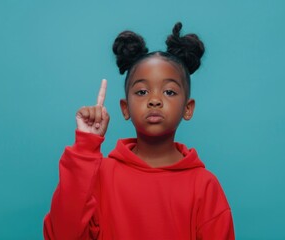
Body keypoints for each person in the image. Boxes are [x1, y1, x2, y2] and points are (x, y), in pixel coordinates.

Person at [43, 22, 235, 240]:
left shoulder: (204, 186)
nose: (154, 100)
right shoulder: (99, 176)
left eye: (169, 92)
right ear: (125, 108)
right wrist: (85, 148)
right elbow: (61, 235)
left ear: (188, 108)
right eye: (142, 91)